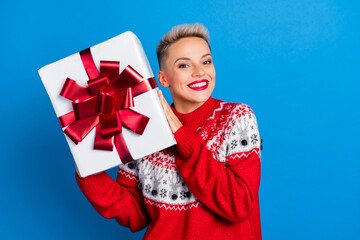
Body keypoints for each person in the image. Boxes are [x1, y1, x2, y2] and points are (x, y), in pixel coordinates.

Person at [76, 23, 262, 240]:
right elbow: (136, 215)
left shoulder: (236, 117)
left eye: (206, 61)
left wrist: (182, 136)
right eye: (184, 65)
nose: (200, 72)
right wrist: (86, 168)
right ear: (163, 79)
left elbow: (237, 205)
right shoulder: (141, 129)